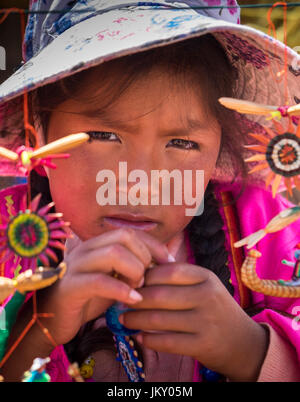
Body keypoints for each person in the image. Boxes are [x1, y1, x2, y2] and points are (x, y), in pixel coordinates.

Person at [0, 0, 300, 382]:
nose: (140, 182)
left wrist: (252, 349)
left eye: (182, 143)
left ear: (220, 150)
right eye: (104, 136)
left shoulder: (270, 233)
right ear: (37, 134)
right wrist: (36, 329)